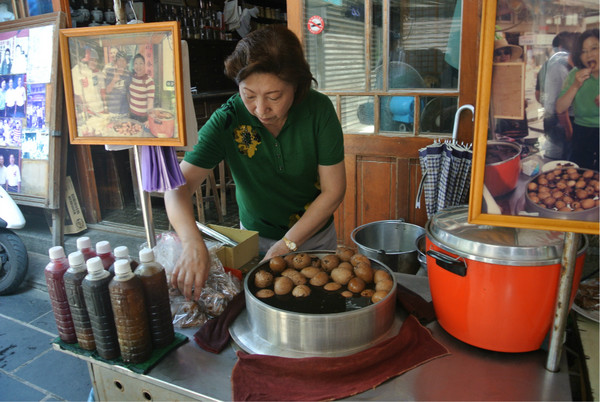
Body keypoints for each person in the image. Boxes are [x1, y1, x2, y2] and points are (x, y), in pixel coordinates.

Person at [164, 25, 346, 300]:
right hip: (253, 242)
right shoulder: (228, 119)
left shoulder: (318, 111)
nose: (261, 109)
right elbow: (176, 187)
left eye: (274, 97)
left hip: (314, 239)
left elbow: (334, 191)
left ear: (297, 86)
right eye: (249, 95)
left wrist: (287, 244)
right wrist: (191, 243)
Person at [556, 29, 599, 171]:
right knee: (579, 175)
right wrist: (575, 85)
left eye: (594, 48)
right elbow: (560, 108)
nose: (589, 55)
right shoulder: (575, 74)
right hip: (581, 132)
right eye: (584, 51)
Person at [541, 32, 579, 160]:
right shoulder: (560, 64)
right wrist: (568, 130)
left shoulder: (567, 65)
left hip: (561, 120)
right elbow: (560, 105)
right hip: (560, 122)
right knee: (559, 161)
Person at [493, 38, 529, 139]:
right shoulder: (490, 74)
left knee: (516, 147)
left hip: (516, 119)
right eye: (498, 53)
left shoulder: (516, 71)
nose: (503, 56)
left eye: (506, 52)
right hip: (500, 118)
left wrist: (522, 102)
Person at [71, 47, 107, 116]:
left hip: (100, 108)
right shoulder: (78, 71)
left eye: (96, 60)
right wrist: (85, 105)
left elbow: (103, 92)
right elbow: (78, 92)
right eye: (91, 60)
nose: (94, 63)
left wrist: (105, 107)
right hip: (88, 110)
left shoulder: (99, 73)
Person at [128, 53, 154, 122]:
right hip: (132, 114)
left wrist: (149, 119)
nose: (138, 66)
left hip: (143, 117)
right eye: (136, 63)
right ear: (133, 65)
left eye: (141, 63)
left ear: (145, 65)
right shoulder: (132, 78)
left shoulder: (149, 81)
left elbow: (150, 103)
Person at [104, 51, 131, 115]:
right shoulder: (109, 72)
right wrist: (114, 80)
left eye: (124, 60)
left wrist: (129, 108)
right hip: (113, 110)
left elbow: (128, 93)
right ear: (116, 62)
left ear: (126, 63)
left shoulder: (128, 75)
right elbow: (107, 91)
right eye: (119, 60)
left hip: (124, 110)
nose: (121, 63)